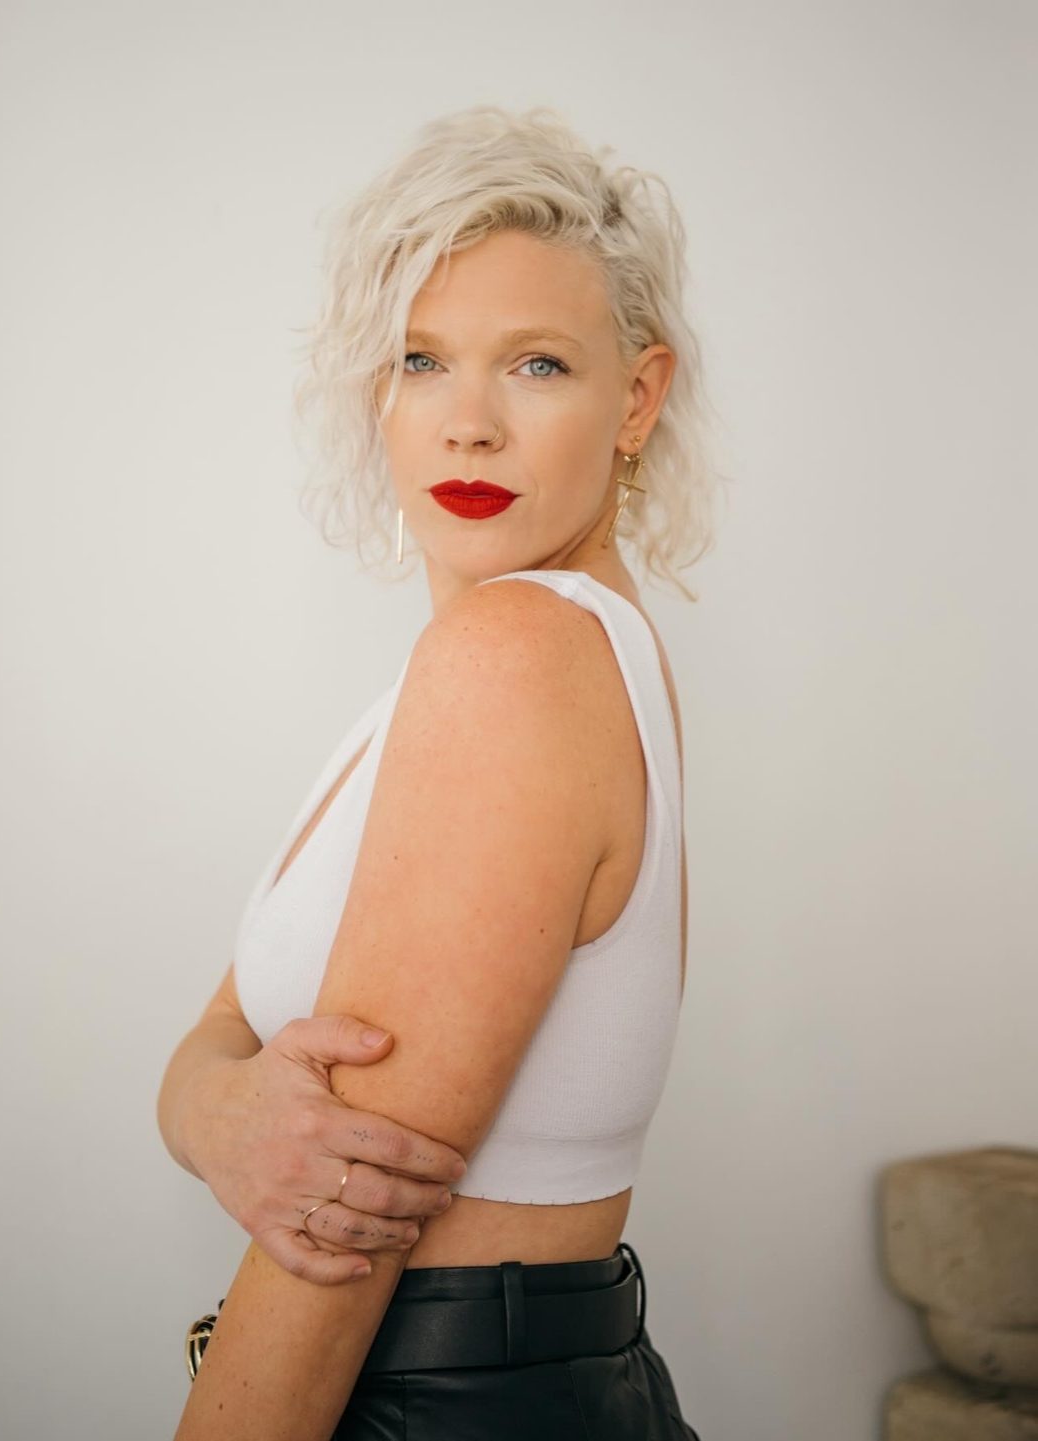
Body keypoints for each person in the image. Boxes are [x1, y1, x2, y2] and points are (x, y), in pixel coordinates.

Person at [159, 102, 722, 1440]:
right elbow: (218, 1039)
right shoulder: (444, 689)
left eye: (536, 364)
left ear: (637, 398)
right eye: (422, 360)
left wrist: (213, 1104)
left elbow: (341, 1236)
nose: (468, 423)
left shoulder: (517, 656)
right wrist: (211, 1108)